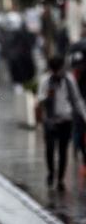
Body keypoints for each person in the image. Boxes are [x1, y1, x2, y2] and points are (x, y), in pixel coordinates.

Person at [37, 56, 86, 191]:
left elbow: (77, 99)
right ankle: (51, 172)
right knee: (50, 149)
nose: (57, 73)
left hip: (65, 120)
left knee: (63, 150)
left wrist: (83, 115)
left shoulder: (69, 80)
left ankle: (60, 179)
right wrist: (47, 96)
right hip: (50, 120)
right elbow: (39, 99)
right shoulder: (46, 80)